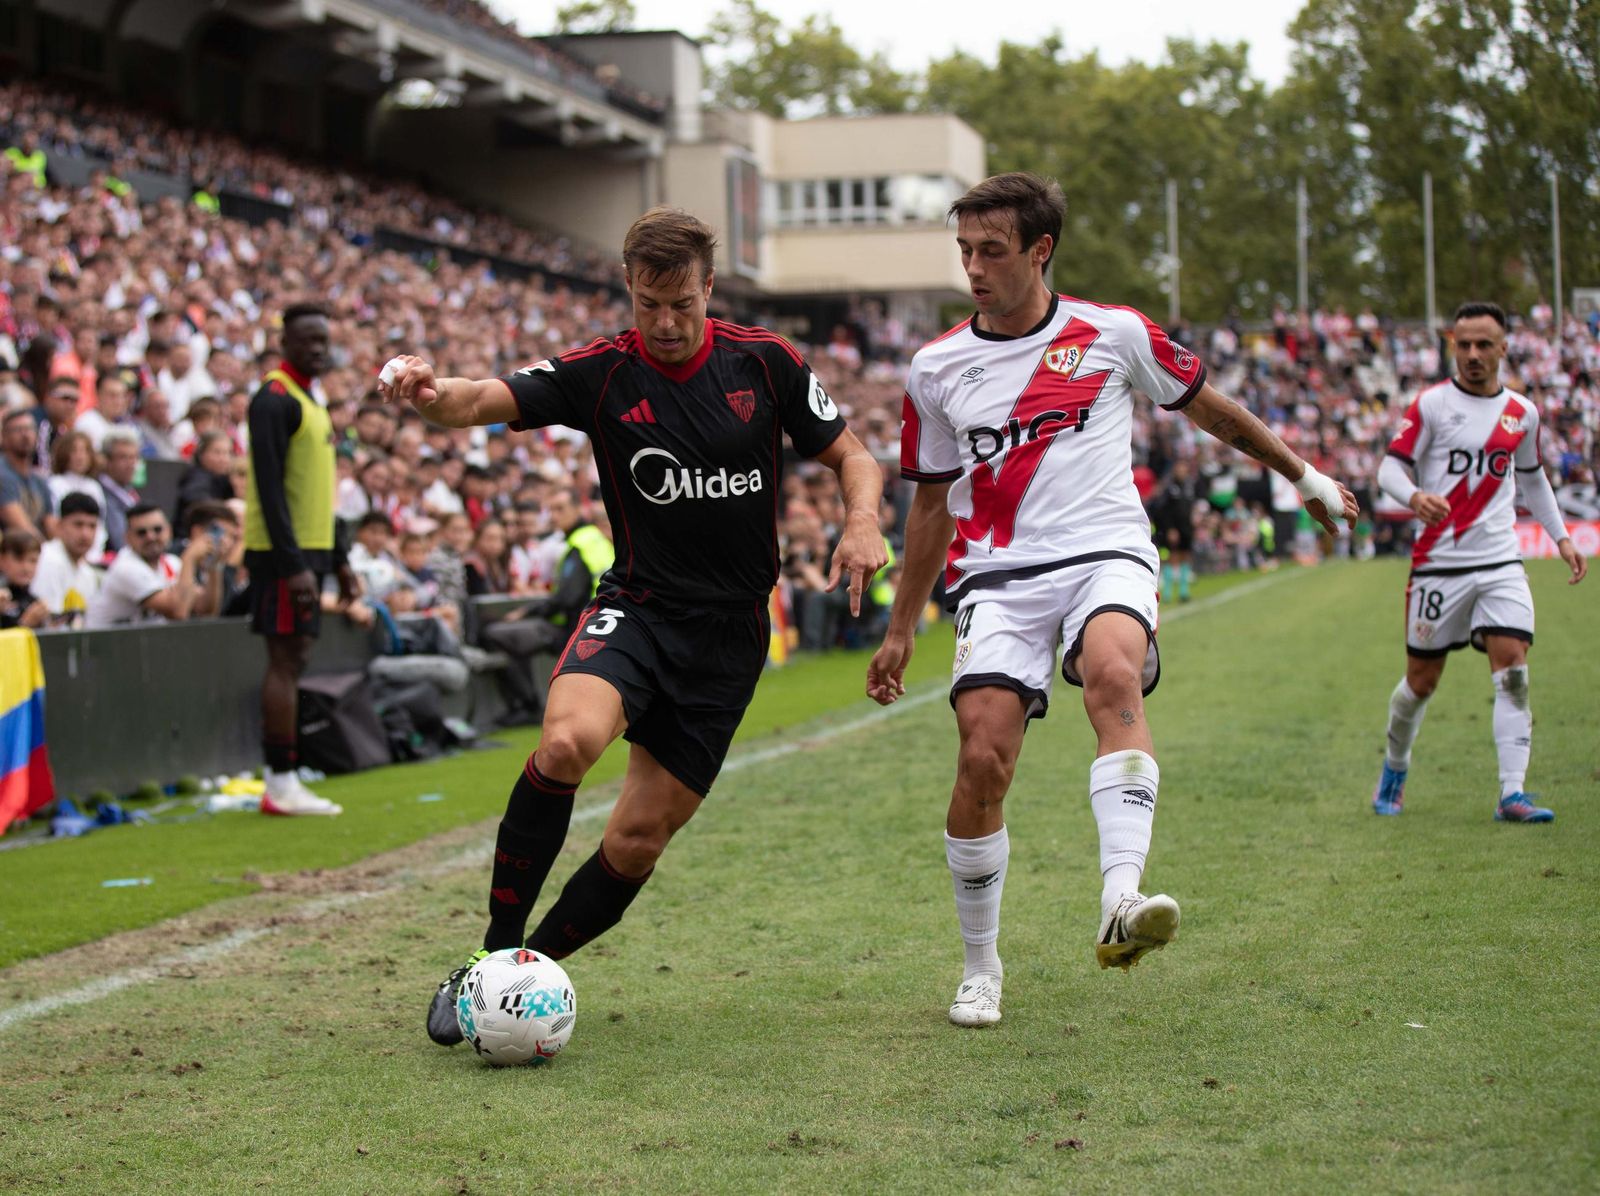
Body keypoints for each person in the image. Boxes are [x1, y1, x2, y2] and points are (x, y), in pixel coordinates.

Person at [381, 206, 886, 1048]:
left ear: (709, 289)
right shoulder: (602, 372)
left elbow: (853, 455)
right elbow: (474, 401)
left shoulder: (764, 362)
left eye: (682, 303)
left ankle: (520, 973)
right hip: (638, 610)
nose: (665, 322)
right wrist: (427, 392)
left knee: (638, 838)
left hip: (728, 639)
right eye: (649, 303)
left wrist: (861, 518)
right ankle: (491, 955)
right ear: (628, 288)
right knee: (567, 744)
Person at [865, 173, 1357, 1028]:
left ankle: (1120, 900)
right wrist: (902, 628)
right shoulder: (936, 368)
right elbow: (931, 505)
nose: (974, 268)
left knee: (1113, 672)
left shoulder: (1113, 333)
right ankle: (981, 968)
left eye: (992, 250)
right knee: (984, 757)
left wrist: (1305, 476)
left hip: (1106, 552)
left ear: (1039, 250)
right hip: (998, 576)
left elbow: (1216, 413)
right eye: (965, 251)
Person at [1371, 301, 1587, 823]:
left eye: (1483, 344)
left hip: (1500, 560)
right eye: (1463, 344)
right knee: (1420, 683)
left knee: (1513, 669)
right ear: (1452, 345)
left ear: (1504, 348)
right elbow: (1388, 470)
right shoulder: (1430, 405)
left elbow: (1532, 478)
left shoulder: (1523, 413)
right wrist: (1415, 496)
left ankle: (1512, 793)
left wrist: (1560, 537)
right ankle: (1395, 768)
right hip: (1438, 563)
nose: (1472, 354)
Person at [242, 303, 359, 817]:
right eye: (307, 339)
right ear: (285, 342)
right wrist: (292, 566)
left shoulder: (313, 398)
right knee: (284, 662)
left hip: (309, 549)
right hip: (280, 553)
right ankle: (281, 782)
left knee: (297, 658)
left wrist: (340, 560)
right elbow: (268, 489)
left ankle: (286, 779)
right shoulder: (273, 398)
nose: (317, 348)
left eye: (322, 340)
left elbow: (319, 491)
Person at [85, 502, 220, 627]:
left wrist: (214, 565)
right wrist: (189, 557)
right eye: (141, 533)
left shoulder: (172, 563)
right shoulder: (126, 567)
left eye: (157, 529)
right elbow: (178, 612)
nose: (151, 537)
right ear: (127, 538)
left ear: (169, 531)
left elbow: (204, 609)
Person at [33, 491, 102, 627]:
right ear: (59, 526)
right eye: (78, 524)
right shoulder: (48, 559)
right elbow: (50, 625)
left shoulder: (87, 572)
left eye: (92, 526)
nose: (85, 534)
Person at [0, 407, 55, 540]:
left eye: (29, 429)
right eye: (18, 430)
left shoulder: (40, 480)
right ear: (4, 437)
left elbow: (52, 525)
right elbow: (20, 526)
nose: (25, 435)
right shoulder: (2, 474)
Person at [96, 428, 141, 557]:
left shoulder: (129, 490)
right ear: (107, 460)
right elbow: (119, 541)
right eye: (123, 457)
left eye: (133, 457)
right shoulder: (101, 492)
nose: (130, 464)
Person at [0, 529, 48, 630]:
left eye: (32, 560)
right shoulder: (2, 598)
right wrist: (25, 624)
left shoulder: (35, 602)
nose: (26, 567)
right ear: (2, 559)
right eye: (19, 559)